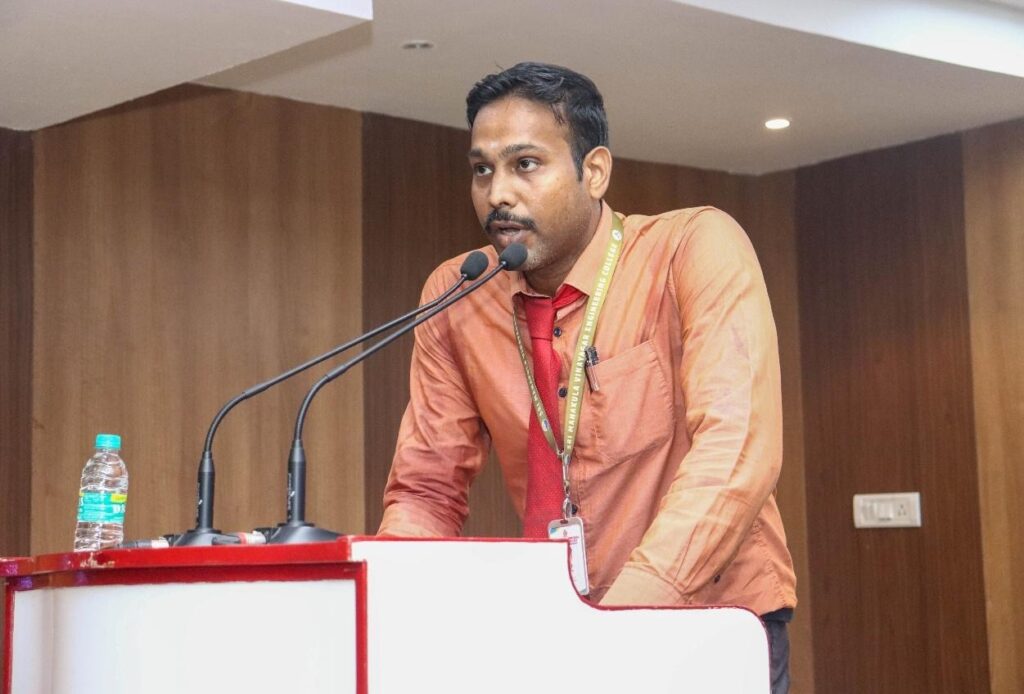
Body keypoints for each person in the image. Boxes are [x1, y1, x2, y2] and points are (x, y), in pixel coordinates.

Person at [377, 62, 797, 692]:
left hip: (707, 620)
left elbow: (736, 452)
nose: (497, 193)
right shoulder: (459, 291)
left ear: (594, 171)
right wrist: (390, 616)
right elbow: (426, 492)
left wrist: (615, 626)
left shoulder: (691, 248)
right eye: (482, 169)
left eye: (525, 164)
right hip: (560, 632)